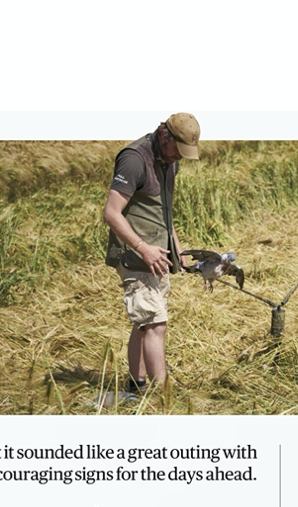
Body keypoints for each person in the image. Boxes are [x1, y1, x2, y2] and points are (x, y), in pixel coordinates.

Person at [99, 113, 199, 399]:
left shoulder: (170, 160)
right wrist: (142, 247)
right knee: (156, 324)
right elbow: (111, 213)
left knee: (144, 321)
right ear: (165, 135)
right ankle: (162, 397)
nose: (179, 156)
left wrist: (175, 244)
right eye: (178, 149)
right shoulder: (134, 159)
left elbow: (163, 210)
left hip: (159, 254)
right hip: (135, 254)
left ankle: (136, 384)